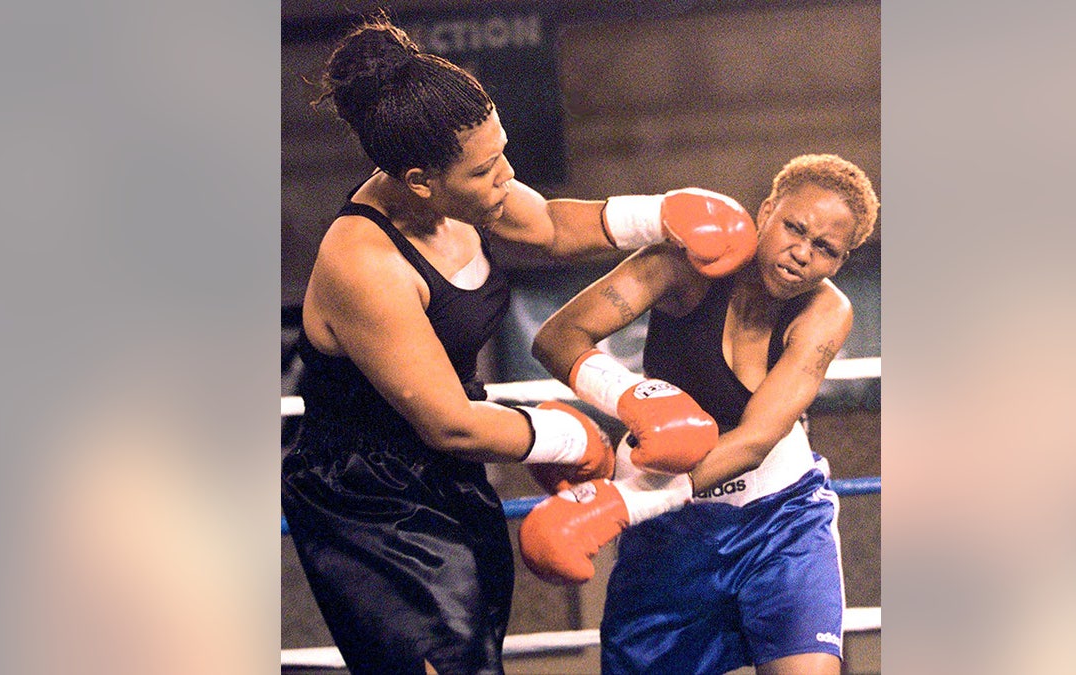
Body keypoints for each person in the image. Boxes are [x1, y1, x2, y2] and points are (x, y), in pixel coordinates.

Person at [279, 12, 757, 675]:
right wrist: (568, 435)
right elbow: (447, 422)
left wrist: (666, 213)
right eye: (485, 169)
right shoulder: (365, 262)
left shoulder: (467, 194)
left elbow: (554, 228)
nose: (505, 175)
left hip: (454, 466)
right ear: (420, 179)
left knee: (479, 655)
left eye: (501, 149)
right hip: (368, 493)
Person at [521, 153, 879, 675]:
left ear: (840, 261)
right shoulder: (682, 266)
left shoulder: (827, 310)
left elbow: (757, 438)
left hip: (779, 518)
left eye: (824, 248)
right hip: (671, 532)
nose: (801, 253)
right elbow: (557, 337)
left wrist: (623, 502)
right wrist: (630, 396)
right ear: (766, 211)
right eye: (794, 228)